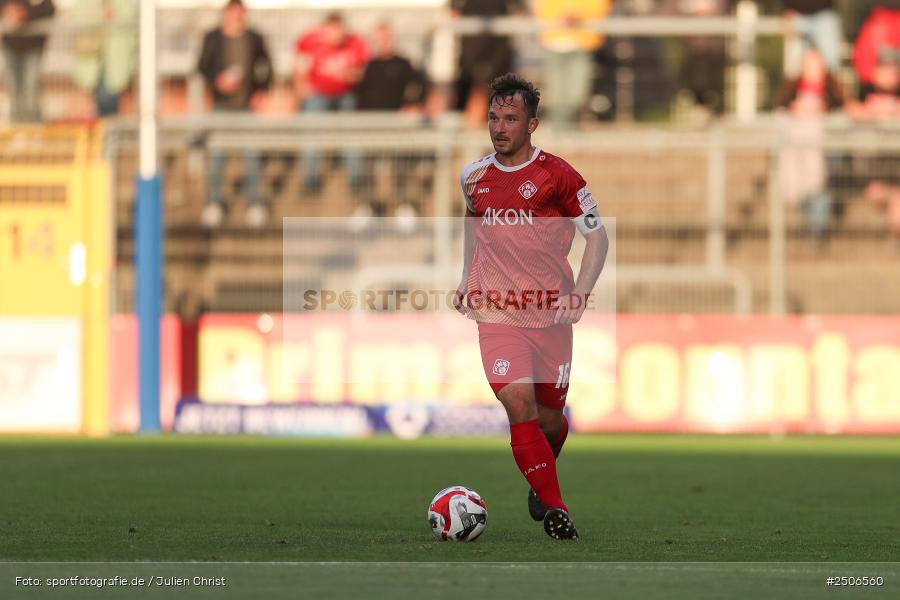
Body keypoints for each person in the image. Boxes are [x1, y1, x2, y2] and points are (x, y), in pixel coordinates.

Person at [454, 74, 609, 540]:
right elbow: (471, 221)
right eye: (493, 117)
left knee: (548, 421)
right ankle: (558, 509)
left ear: (532, 124)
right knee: (517, 403)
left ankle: (542, 472)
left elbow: (597, 236)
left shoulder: (560, 177)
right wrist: (466, 277)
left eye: (510, 118)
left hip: (551, 316)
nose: (499, 127)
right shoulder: (473, 177)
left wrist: (580, 291)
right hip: (497, 312)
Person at [197, 0, 273, 228]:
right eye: (233, 14)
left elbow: (268, 67)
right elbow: (202, 67)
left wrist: (262, 90)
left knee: (252, 156)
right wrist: (216, 82)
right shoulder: (212, 37)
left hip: (246, 107)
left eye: (240, 14)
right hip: (221, 106)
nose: (236, 18)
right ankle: (214, 203)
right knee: (217, 157)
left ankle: (254, 203)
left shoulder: (255, 38)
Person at [355, 22, 429, 227]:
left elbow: (421, 85)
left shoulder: (403, 63)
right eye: (379, 38)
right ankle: (368, 206)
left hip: (397, 127)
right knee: (367, 165)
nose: (383, 42)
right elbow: (361, 95)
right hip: (372, 127)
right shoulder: (370, 66)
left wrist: (413, 105)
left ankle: (403, 205)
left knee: (400, 165)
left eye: (386, 37)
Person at [294, 12, 369, 195]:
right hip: (319, 93)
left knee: (351, 134)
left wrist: (352, 75)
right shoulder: (310, 41)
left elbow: (363, 71)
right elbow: (298, 64)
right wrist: (302, 86)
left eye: (339, 29)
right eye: (332, 29)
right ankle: (310, 180)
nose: (335, 34)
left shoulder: (355, 42)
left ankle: (355, 180)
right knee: (312, 133)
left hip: (345, 94)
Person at [777, 47, 845, 240]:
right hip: (798, 149)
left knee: (819, 187)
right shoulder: (791, 91)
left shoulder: (833, 92)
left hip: (824, 149)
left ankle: (817, 231)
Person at [534, 0, 611, 126]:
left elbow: (600, 7)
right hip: (554, 42)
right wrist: (560, 17)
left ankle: (568, 129)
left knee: (578, 94)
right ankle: (559, 130)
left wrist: (580, 16)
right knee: (556, 95)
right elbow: (543, 8)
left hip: (582, 43)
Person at [451, 0, 523, 125]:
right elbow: (453, 10)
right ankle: (464, 127)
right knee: (470, 81)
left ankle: (496, 126)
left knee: (498, 83)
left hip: (499, 30)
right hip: (472, 28)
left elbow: (518, 9)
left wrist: (517, 13)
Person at [72, 0, 138, 118]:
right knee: (99, 100)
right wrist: (99, 16)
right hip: (92, 58)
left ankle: (109, 130)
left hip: (115, 59)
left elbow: (131, 16)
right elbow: (78, 16)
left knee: (108, 98)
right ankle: (107, 129)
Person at [1, 0, 54, 123]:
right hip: (11, 47)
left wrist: (24, 15)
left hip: (32, 48)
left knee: (31, 89)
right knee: (14, 91)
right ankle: (17, 124)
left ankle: (35, 125)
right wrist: (8, 12)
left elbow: (49, 9)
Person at [782, 1, 843, 76]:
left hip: (825, 14)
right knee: (793, 69)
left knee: (832, 66)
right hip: (797, 15)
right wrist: (787, 8)